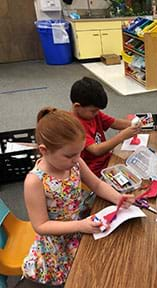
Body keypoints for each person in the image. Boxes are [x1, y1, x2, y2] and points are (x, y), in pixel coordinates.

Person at [22, 107, 135, 286]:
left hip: (81, 225)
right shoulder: (34, 181)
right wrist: (80, 225)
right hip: (57, 244)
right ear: (44, 150)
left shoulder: (74, 163)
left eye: (79, 153)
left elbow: (97, 184)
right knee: (88, 276)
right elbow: (41, 226)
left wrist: (117, 197)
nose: (77, 159)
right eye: (70, 155)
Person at [70, 77, 140, 177]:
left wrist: (133, 123)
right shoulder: (74, 125)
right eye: (94, 110)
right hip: (92, 170)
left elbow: (114, 122)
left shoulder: (93, 114)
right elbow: (96, 150)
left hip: (106, 159)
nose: (97, 113)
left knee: (137, 164)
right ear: (77, 106)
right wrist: (122, 136)